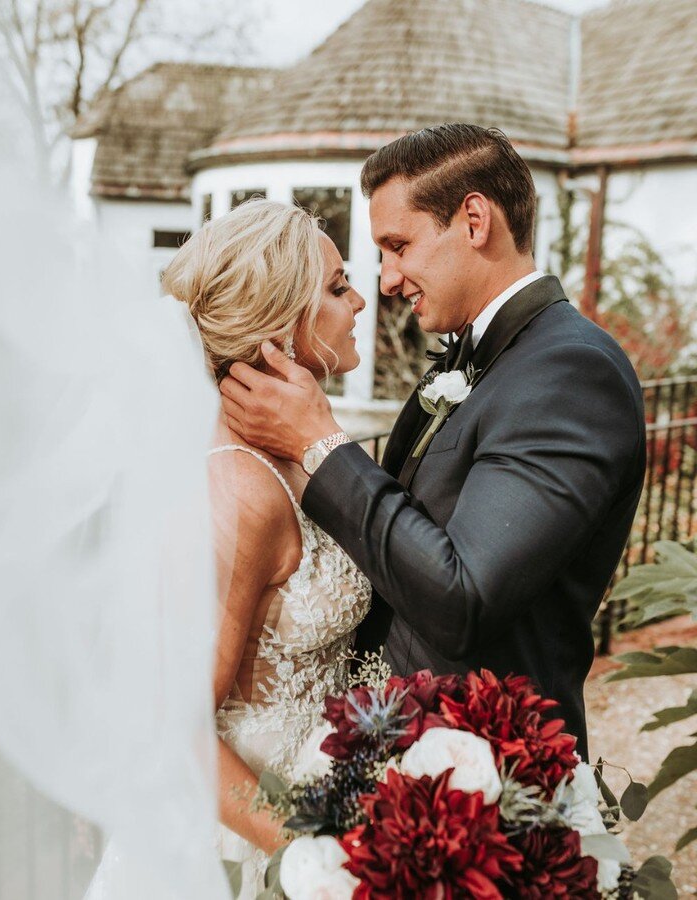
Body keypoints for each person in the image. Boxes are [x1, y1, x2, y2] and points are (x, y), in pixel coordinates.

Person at [219, 124, 647, 763]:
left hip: (491, 786)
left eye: (398, 245)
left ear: (475, 220)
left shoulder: (571, 372)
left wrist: (322, 445)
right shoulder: (469, 360)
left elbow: (465, 596)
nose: (386, 280)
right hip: (384, 770)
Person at [161, 199, 371, 895]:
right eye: (338, 288)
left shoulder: (296, 449)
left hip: (333, 792)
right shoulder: (239, 491)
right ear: (280, 321)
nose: (361, 301)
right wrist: (317, 862)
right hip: (257, 846)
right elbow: (177, 726)